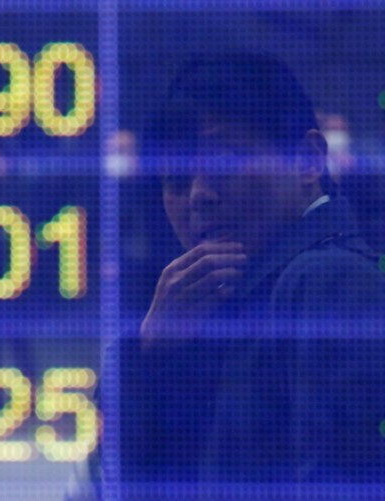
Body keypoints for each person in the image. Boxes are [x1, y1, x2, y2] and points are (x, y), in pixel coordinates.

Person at [73, 53, 385, 500]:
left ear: (307, 159)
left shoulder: (330, 280)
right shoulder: (228, 295)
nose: (199, 195)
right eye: (176, 181)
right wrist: (151, 352)